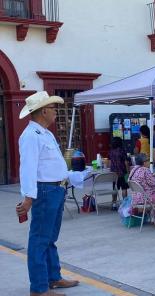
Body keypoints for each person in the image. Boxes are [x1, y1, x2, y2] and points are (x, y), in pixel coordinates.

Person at [17, 91, 79, 296]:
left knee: (50, 237)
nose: (56, 112)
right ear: (44, 111)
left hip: (56, 189)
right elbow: (27, 168)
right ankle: (39, 288)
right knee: (39, 239)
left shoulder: (46, 133)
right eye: (53, 109)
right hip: (45, 190)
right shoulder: (30, 136)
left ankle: (53, 277)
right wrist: (28, 198)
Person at [108, 136, 129, 210]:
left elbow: (109, 163)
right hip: (123, 172)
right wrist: (128, 172)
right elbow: (126, 162)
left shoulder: (110, 151)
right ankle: (125, 203)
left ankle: (114, 204)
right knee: (124, 188)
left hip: (114, 173)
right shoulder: (122, 151)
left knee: (115, 188)